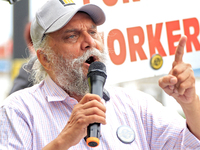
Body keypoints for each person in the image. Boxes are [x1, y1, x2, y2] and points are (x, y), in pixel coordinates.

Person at [1, 0, 200, 149]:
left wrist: (190, 104)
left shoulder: (135, 105)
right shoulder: (19, 110)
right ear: (45, 58)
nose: (90, 42)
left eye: (93, 32)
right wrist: (63, 141)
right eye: (72, 35)